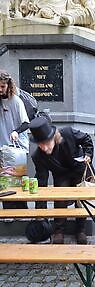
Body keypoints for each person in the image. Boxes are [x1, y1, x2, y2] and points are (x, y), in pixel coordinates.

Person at [29, 116, 95, 244]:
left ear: (54, 137)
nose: (45, 148)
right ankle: (58, 230)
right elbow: (41, 182)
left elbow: (86, 139)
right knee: (59, 198)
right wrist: (40, 214)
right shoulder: (38, 156)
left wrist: (88, 154)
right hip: (61, 174)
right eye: (41, 144)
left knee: (81, 200)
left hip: (79, 169)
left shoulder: (68, 133)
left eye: (47, 143)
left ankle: (80, 229)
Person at [0, 69, 29, 209]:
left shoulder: (16, 101)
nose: (0, 89)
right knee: (5, 182)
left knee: (17, 181)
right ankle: (8, 214)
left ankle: (21, 212)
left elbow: (26, 123)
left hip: (17, 148)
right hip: (2, 148)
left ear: (8, 85)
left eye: (2, 86)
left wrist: (16, 131)